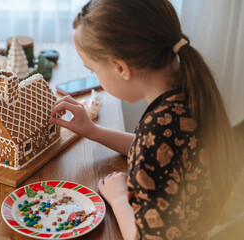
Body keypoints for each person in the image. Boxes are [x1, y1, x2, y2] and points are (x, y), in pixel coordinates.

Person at [49, 0, 236, 239]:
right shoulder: (188, 88)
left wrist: (118, 199)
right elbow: (160, 148)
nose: (94, 75)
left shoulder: (155, 133)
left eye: (93, 70)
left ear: (120, 68)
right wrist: (93, 131)